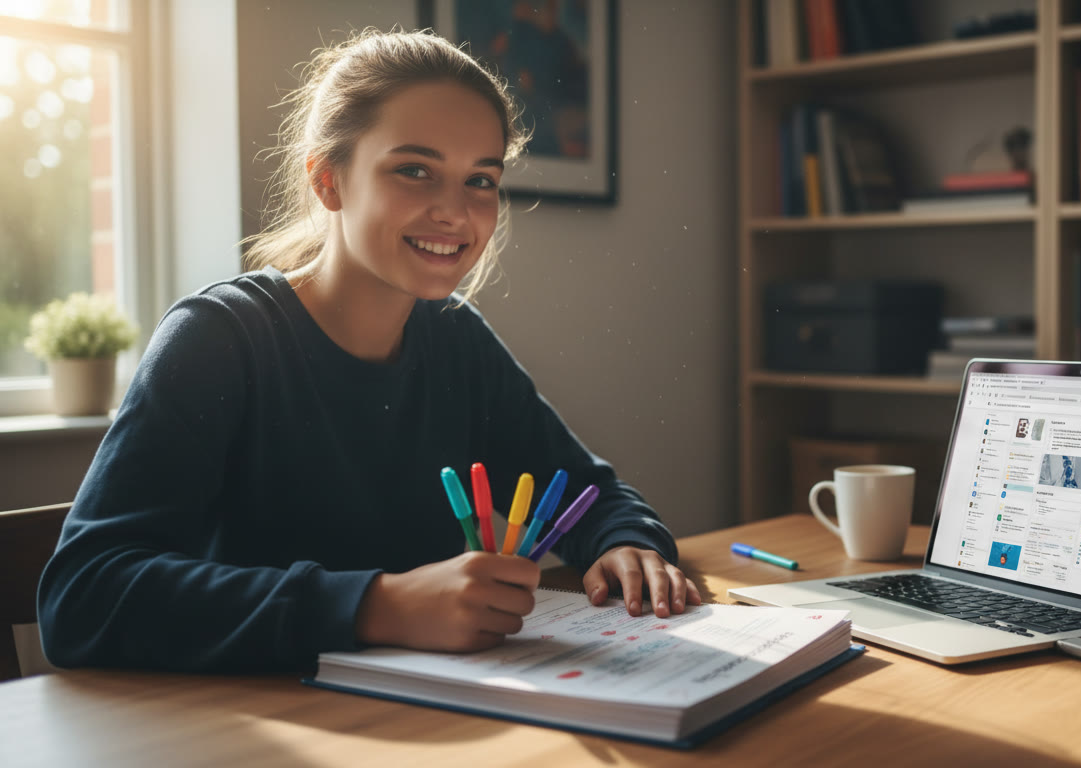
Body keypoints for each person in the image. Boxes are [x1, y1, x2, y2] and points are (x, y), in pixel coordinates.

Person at [37, 29, 699, 674]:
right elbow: (82, 596)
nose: (455, 212)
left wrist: (627, 543)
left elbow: (588, 494)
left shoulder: (456, 342)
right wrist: (375, 605)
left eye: (481, 180)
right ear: (329, 180)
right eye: (415, 170)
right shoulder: (219, 338)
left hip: (436, 723)